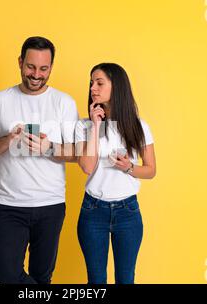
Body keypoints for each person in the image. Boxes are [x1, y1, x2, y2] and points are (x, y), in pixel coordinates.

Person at [0, 36, 79, 284]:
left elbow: (79, 153)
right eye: (31, 67)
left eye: (44, 69)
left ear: (51, 67)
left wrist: (49, 147)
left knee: (42, 276)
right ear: (20, 62)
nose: (36, 74)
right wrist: (8, 140)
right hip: (10, 205)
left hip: (51, 204)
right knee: (8, 275)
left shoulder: (64, 102)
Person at [75, 63, 156, 284]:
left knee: (126, 278)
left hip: (128, 212)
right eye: (92, 82)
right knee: (96, 280)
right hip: (93, 211)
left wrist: (129, 167)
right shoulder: (84, 126)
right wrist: (94, 126)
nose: (93, 88)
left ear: (117, 87)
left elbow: (150, 170)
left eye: (100, 83)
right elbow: (87, 167)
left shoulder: (139, 126)